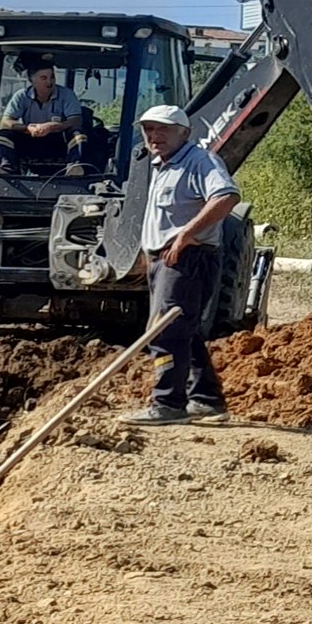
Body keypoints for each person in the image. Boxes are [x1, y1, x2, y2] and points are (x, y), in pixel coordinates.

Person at [122, 104, 239, 425]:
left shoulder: (199, 161)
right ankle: (206, 399)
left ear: (184, 133)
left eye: (162, 129)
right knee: (183, 331)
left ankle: (168, 404)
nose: (154, 136)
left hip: (188, 258)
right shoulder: (163, 166)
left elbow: (227, 197)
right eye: (148, 130)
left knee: (166, 331)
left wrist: (187, 234)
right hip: (166, 259)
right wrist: (151, 254)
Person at [0, 57, 90, 175]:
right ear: (32, 80)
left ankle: (74, 166)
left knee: (78, 133)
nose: (49, 82)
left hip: (58, 142)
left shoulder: (67, 95)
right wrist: (27, 128)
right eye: (43, 78)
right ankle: (8, 168)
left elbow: (76, 120)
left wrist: (53, 127)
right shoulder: (22, 96)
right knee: (3, 133)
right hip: (30, 139)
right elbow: (6, 121)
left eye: (52, 77)